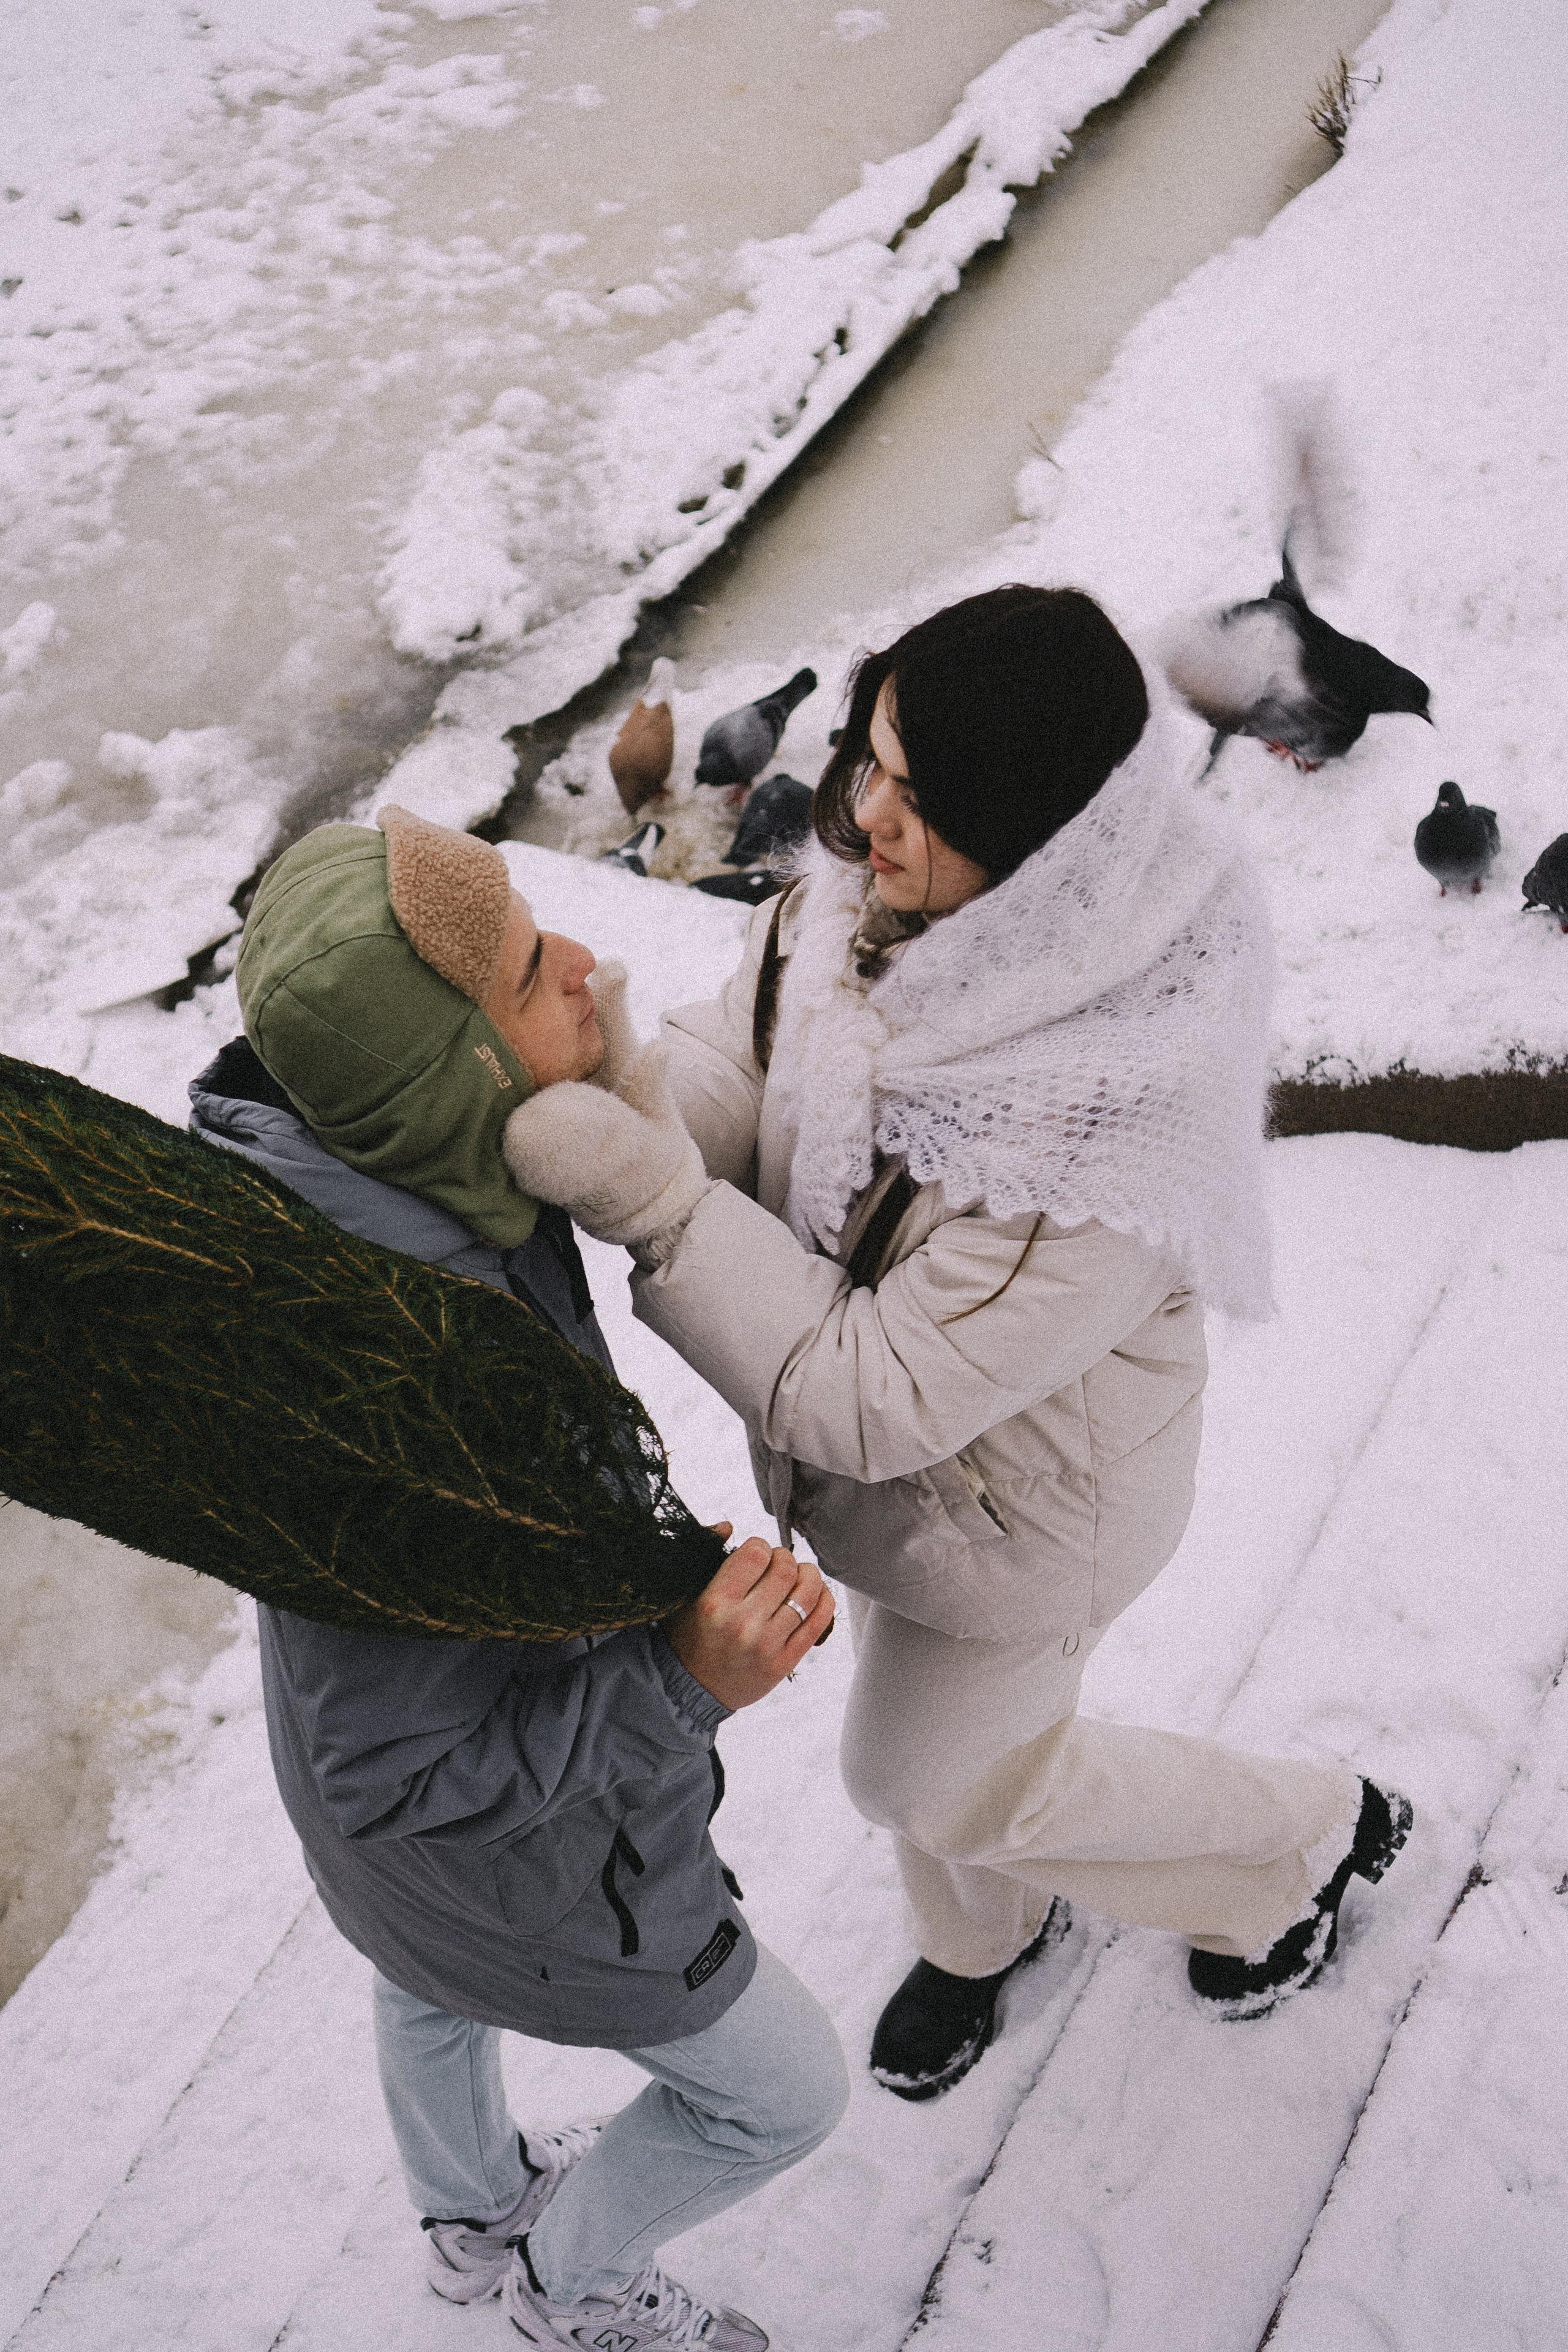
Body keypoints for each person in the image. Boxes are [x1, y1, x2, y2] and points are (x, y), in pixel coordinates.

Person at [501, 584, 1414, 2100]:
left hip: (1029, 1513)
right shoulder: (868, 896)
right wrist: (643, 1098)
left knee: (922, 1768)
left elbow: (878, 1395)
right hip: (904, 1497)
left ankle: (1295, 1843)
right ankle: (985, 1933)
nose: (863, 818)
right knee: (938, 1729)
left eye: (921, 800)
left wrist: (657, 1202)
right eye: (867, 760)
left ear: (1048, 846)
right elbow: (750, 1057)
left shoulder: (1103, 1116)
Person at [189, 803, 846, 2352]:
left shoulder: (382, 1200)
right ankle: (570, 2288)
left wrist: (606, 1093)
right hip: (533, 1863)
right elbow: (397, 1776)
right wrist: (681, 1680)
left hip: (403, 1886)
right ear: (447, 1077)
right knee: (781, 2098)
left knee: (419, 1975)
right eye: (533, 974)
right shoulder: (412, 1391)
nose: (591, 968)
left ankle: (472, 2212)